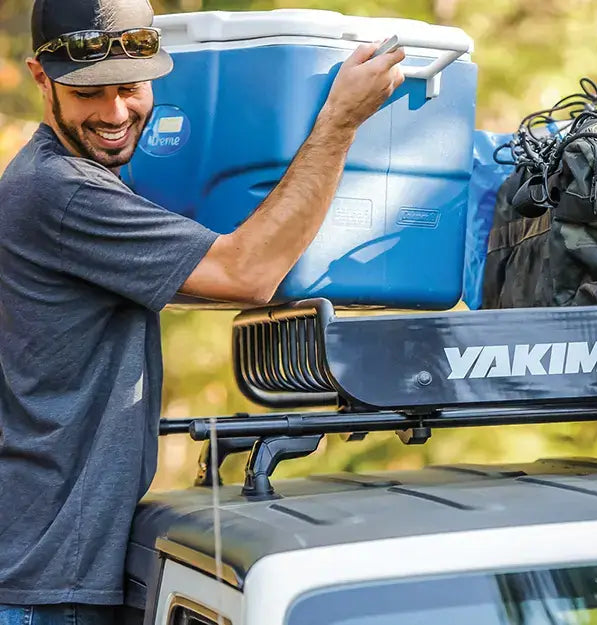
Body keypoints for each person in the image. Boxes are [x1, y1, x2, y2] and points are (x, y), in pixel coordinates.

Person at [0, 0, 405, 621]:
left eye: (131, 88)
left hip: (53, 573)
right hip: (48, 585)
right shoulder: (61, 192)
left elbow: (226, 274)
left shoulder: (80, 186)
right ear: (40, 78)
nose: (114, 113)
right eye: (89, 93)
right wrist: (338, 124)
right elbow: (248, 274)